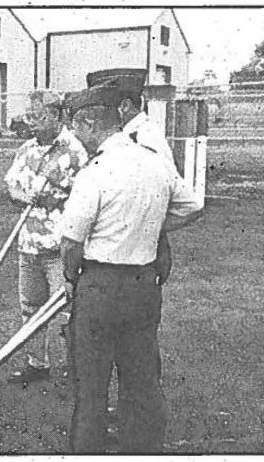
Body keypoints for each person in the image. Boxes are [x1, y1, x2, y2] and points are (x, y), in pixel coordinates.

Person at [61, 82, 204, 453]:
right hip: (143, 285)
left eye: (77, 128)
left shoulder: (95, 171)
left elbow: (71, 242)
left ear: (89, 123)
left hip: (100, 285)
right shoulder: (154, 159)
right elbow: (191, 207)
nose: (76, 136)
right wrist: (150, 225)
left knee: (91, 386)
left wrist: (70, 278)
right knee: (141, 380)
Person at [2, 89, 89, 385]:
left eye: (37, 116)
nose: (32, 122)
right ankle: (37, 363)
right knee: (30, 306)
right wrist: (22, 197)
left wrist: (52, 199)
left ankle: (76, 369)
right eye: (29, 116)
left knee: (67, 310)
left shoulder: (75, 151)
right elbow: (12, 186)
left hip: (59, 245)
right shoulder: (25, 149)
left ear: (55, 116)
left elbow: (83, 198)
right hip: (28, 242)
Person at [87, 68, 176, 288]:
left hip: (136, 248)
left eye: (105, 106)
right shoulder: (127, 133)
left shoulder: (144, 137)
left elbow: (168, 191)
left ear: (125, 106)